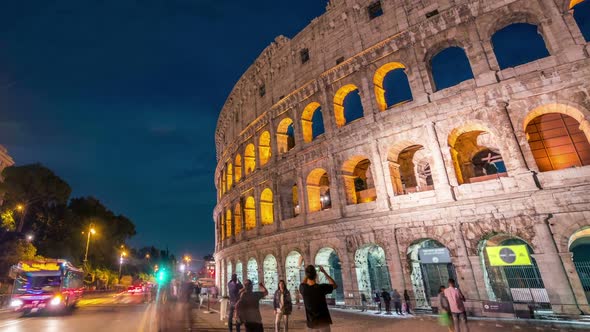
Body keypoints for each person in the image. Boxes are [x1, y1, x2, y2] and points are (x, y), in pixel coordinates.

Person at [299, 265, 338, 332]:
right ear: (316, 275)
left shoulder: (303, 288)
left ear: (306, 275)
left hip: (311, 324)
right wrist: (324, 272)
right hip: (323, 322)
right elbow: (334, 285)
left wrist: (308, 274)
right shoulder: (321, 287)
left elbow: (303, 282)